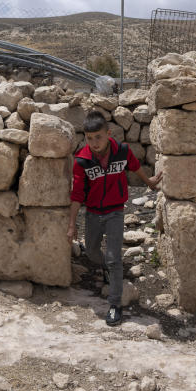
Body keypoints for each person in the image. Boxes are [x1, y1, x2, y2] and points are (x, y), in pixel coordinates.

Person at [68, 110, 162, 326]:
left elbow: (135, 166)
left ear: (108, 133)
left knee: (114, 257)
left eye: (98, 137)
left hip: (115, 212)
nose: (94, 143)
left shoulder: (122, 151)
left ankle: (115, 304)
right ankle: (107, 268)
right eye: (89, 138)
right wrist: (72, 225)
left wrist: (148, 181)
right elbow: (77, 195)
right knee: (91, 251)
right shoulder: (82, 160)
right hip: (92, 213)